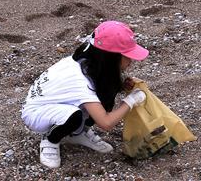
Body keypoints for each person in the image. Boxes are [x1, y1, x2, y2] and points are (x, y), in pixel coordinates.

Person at [21, 20, 149, 169]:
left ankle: (78, 134)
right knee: (74, 116)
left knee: (107, 91)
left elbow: (101, 87)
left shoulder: (90, 60)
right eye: (127, 56)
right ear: (110, 57)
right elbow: (106, 123)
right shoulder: (79, 80)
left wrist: (120, 86)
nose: (131, 61)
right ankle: (51, 139)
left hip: (59, 102)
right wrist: (130, 101)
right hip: (37, 111)